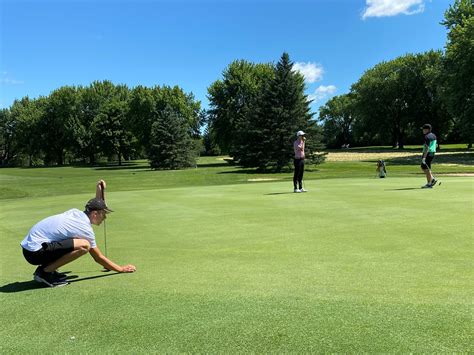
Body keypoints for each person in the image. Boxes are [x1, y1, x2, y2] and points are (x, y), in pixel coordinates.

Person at [21, 180, 136, 287]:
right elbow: (98, 257)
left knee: (75, 240)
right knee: (84, 245)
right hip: (35, 253)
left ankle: (49, 269)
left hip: (31, 249)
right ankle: (44, 273)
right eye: (103, 214)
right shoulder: (84, 228)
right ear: (95, 214)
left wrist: (99, 190)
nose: (105, 217)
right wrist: (120, 269)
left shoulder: (76, 213)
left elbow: (95, 205)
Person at [420, 124, 438, 188]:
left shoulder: (426, 137)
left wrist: (424, 157)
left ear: (427, 129)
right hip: (432, 153)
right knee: (423, 167)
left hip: (428, 153)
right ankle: (432, 179)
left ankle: (429, 183)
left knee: (427, 169)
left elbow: (427, 148)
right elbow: (436, 145)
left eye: (423, 129)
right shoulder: (434, 135)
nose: (423, 130)